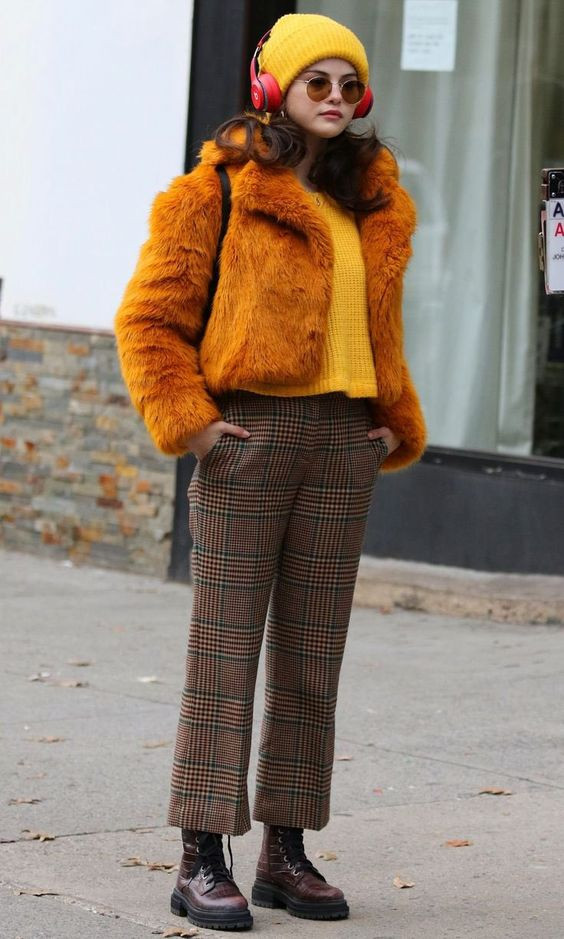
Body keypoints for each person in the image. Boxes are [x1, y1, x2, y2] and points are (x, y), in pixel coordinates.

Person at [114, 12, 426, 931]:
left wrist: (379, 425)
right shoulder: (213, 188)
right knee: (224, 649)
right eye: (314, 82)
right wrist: (198, 429)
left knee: (311, 657)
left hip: (344, 443)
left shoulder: (373, 196)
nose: (333, 98)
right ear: (275, 88)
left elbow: (381, 330)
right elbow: (149, 321)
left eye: (346, 85)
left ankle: (285, 851)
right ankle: (200, 853)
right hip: (246, 438)